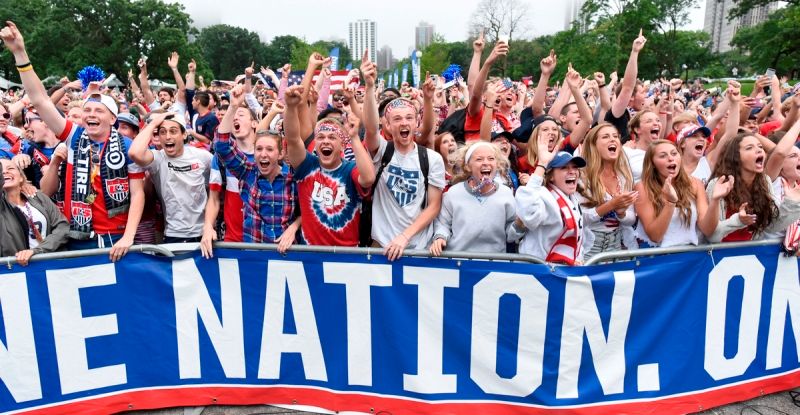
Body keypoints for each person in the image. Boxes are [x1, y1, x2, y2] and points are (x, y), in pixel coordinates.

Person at [2, 21, 144, 261]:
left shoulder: (128, 146)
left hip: (114, 239)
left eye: (98, 111)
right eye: (87, 111)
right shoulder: (73, 137)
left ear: (112, 118)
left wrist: (129, 237)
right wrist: (20, 53)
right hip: (78, 236)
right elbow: (40, 100)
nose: (90, 115)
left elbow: (138, 193)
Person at [363, 52, 446, 260]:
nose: (404, 123)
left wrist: (404, 237)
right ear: (388, 126)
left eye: (409, 118)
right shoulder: (382, 151)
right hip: (382, 246)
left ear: (416, 123)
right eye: (397, 119)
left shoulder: (431, 159)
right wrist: (370, 86)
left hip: (417, 247)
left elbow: (434, 205)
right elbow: (371, 129)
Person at [207, 86, 299, 256]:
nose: (263, 154)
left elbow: (305, 211)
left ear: (280, 154)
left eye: (270, 149)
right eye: (259, 149)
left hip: (287, 257)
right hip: (253, 256)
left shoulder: (293, 177)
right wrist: (233, 107)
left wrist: (293, 227)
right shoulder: (247, 173)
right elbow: (221, 145)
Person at [284, 80, 375, 246]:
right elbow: (292, 139)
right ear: (315, 144)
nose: (326, 141)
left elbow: (368, 179)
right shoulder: (307, 166)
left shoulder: (350, 169)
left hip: (346, 256)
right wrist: (290, 107)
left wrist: (354, 137)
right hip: (311, 254)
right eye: (321, 137)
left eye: (332, 137)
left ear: (342, 146)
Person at [128, 112, 212, 243]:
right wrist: (154, 123)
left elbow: (214, 191)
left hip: (204, 234)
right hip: (173, 233)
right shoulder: (158, 158)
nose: (168, 137)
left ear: (184, 135)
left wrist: (210, 225)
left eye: (173, 131)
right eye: (162, 132)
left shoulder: (203, 157)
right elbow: (134, 152)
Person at [634, 140, 732, 247]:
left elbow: (707, 229)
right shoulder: (643, 187)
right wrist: (670, 203)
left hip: (688, 255)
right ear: (652, 164)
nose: (671, 158)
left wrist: (715, 200)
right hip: (657, 256)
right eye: (663, 156)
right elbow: (655, 236)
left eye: (674, 153)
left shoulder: (695, 183)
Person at [429, 142, 521, 255]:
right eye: (479, 159)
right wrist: (440, 237)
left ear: (497, 164)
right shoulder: (453, 193)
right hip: (459, 261)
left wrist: (520, 224)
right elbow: (443, 224)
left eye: (491, 158)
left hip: (494, 263)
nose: (486, 163)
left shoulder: (506, 193)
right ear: (468, 166)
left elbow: (510, 234)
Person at [707, 132, 800, 242]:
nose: (759, 150)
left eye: (760, 146)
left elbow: (771, 226)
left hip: (751, 254)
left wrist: (792, 204)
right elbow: (711, 236)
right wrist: (737, 221)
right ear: (736, 157)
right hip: (717, 256)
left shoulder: (765, 181)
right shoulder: (719, 184)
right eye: (749, 148)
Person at [515, 134, 587, 264]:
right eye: (564, 168)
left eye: (575, 167)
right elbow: (528, 212)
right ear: (551, 176)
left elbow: (578, 236)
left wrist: (578, 259)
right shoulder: (544, 195)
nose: (572, 172)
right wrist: (542, 164)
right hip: (539, 270)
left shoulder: (572, 198)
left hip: (561, 270)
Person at [578, 123, 638, 256]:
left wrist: (621, 213)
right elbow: (580, 218)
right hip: (589, 247)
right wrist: (611, 205)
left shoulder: (624, 176)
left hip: (618, 246)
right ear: (593, 145)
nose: (612, 139)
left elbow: (631, 219)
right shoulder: (581, 177)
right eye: (605, 137)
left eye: (615, 136)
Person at [0, 159, 68, 265]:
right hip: (18, 269)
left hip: (52, 263)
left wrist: (38, 250)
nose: (4, 172)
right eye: (0, 170)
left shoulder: (38, 197)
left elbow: (63, 227)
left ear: (21, 177)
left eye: (10, 168)